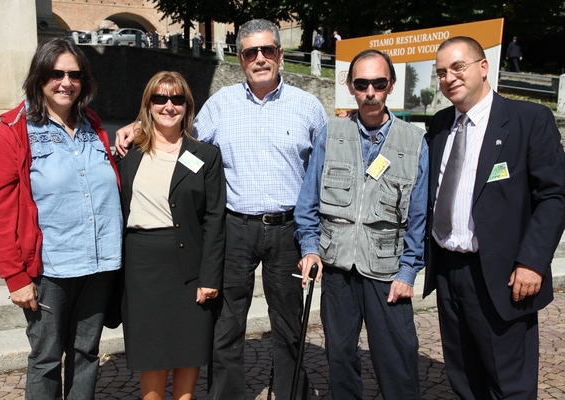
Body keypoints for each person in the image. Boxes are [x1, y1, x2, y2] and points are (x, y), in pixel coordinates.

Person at [115, 18, 327, 400]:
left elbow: (322, 171)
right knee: (226, 327)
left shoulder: (308, 107)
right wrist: (138, 126)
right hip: (236, 227)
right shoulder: (220, 104)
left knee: (288, 325)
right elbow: (177, 134)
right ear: (241, 58)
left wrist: (314, 237)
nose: (259, 58)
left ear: (280, 54)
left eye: (267, 50)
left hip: (287, 229)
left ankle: (291, 394)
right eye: (250, 52)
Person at [423, 36, 565, 399]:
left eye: (458, 67)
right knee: (463, 377)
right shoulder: (439, 124)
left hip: (503, 274)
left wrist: (532, 261)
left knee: (508, 383)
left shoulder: (527, 119)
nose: (449, 78)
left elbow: (554, 195)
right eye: (441, 72)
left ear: (483, 67)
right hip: (448, 270)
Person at [0, 38, 122, 399]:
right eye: (56, 74)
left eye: (75, 74)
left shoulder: (92, 124)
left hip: (99, 264)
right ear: (39, 76)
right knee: (45, 357)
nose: (66, 82)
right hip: (49, 269)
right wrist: (15, 276)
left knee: (86, 352)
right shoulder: (14, 130)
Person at [294, 49, 427, 399]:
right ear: (351, 87)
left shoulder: (414, 142)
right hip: (337, 267)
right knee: (339, 356)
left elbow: (419, 219)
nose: (370, 92)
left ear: (391, 86)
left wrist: (408, 272)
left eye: (379, 84)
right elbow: (307, 203)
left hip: (387, 271)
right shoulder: (331, 133)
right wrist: (310, 249)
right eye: (362, 84)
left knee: (397, 359)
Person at [117, 71, 226, 400]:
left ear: (187, 106)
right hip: (142, 264)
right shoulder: (129, 151)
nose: (168, 106)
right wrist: (135, 128)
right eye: (160, 98)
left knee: (187, 344)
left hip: (187, 264)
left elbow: (214, 218)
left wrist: (209, 276)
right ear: (148, 105)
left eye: (177, 99)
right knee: (150, 346)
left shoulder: (205, 155)